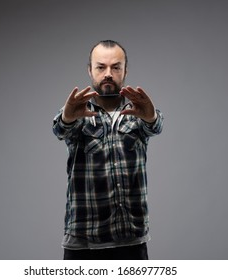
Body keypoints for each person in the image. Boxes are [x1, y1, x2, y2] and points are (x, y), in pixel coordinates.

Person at [52, 40, 164, 260]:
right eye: (101, 67)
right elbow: (60, 129)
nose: (108, 73)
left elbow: (156, 126)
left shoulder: (138, 110)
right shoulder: (77, 110)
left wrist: (150, 115)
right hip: (84, 241)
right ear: (90, 70)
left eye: (116, 67)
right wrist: (67, 117)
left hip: (131, 239)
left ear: (125, 70)